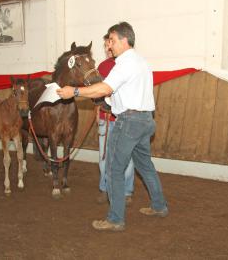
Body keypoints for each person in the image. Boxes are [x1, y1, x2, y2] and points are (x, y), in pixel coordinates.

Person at [57, 22, 168, 232]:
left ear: (125, 40)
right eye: (108, 42)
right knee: (145, 166)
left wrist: (76, 92)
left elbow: (106, 87)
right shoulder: (141, 62)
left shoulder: (124, 63)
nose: (109, 46)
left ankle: (116, 219)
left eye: (112, 41)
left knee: (113, 169)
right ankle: (159, 205)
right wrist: (106, 102)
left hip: (128, 122)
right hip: (145, 120)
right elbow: (120, 93)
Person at [96, 33, 135, 206]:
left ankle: (126, 191)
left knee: (127, 158)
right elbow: (97, 93)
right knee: (104, 157)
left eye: (109, 44)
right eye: (105, 45)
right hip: (106, 118)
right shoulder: (102, 67)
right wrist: (98, 112)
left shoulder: (127, 65)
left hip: (124, 119)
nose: (107, 48)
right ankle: (105, 188)